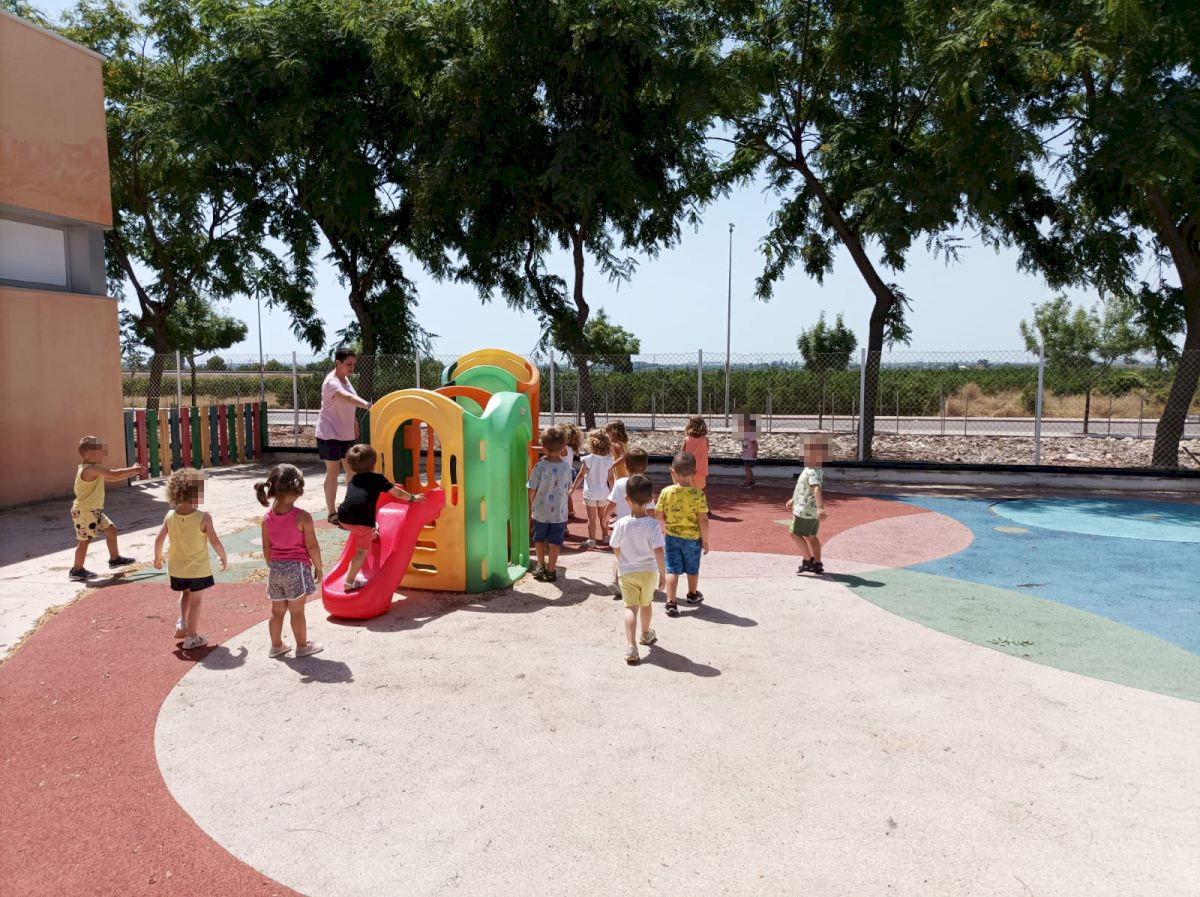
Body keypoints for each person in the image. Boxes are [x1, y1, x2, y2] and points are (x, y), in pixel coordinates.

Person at [153, 468, 228, 650]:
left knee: (185, 593)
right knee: (196, 602)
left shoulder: (170, 516)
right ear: (196, 493)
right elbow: (215, 541)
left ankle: (181, 622)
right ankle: (192, 637)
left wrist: (157, 558)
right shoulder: (204, 517)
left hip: (177, 569)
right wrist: (223, 556)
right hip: (197, 570)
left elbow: (159, 539)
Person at [256, 464, 324, 657]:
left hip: (275, 568)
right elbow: (312, 546)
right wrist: (319, 567)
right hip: (297, 568)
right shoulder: (302, 517)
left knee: (277, 611)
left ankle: (276, 645)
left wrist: (273, 565)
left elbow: (266, 547)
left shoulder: (267, 518)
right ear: (297, 488)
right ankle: (302, 646)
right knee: (297, 611)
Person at [337, 443, 425, 591]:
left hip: (343, 517)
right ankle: (349, 581)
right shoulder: (378, 479)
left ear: (351, 466)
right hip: (361, 522)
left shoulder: (353, 479)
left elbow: (358, 500)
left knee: (362, 525)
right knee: (361, 551)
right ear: (374, 464)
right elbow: (397, 493)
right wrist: (412, 497)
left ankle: (372, 533)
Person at [68, 436, 145, 582]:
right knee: (84, 541)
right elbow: (113, 474)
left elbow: (112, 477)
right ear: (90, 453)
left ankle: (114, 559)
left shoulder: (93, 470)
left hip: (93, 511)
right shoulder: (89, 469)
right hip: (85, 512)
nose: (103, 452)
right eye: (100, 450)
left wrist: (133, 472)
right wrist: (133, 469)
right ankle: (77, 569)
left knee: (111, 529)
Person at [609, 475, 666, 665]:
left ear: (627, 499)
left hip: (627, 572)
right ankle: (646, 633)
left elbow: (615, 546)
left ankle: (631, 646)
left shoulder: (621, 523)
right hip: (648, 571)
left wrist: (621, 561)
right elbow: (659, 550)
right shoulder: (653, 524)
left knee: (630, 607)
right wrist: (663, 573)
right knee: (646, 603)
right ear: (651, 499)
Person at [316, 347, 372, 526]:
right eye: (348, 364)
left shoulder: (346, 379)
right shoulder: (331, 382)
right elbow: (347, 398)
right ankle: (332, 512)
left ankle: (350, 507)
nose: (352, 368)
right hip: (329, 433)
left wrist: (354, 423)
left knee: (352, 471)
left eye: (354, 364)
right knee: (333, 472)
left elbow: (349, 404)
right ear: (337, 363)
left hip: (345, 434)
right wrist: (368, 405)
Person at [655, 451, 709, 617]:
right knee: (692, 568)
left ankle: (671, 601)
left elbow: (658, 514)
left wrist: (666, 522)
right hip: (693, 538)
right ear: (694, 473)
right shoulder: (698, 495)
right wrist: (705, 540)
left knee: (672, 569)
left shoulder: (666, 492)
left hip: (672, 537)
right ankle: (692, 594)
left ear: (672, 471)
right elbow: (703, 519)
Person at [527, 426, 572, 583]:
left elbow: (532, 487)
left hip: (540, 510)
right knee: (555, 542)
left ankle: (540, 565)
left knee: (539, 539)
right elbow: (567, 488)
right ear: (563, 448)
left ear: (544, 447)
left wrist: (531, 503)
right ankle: (551, 570)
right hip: (559, 513)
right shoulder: (566, 467)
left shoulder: (540, 466)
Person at [605, 446, 651, 598]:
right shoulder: (645, 484)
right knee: (639, 553)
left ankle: (615, 580)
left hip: (622, 526)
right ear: (645, 466)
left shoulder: (620, 483)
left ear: (625, 466)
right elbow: (651, 508)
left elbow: (611, 503)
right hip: (641, 526)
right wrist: (653, 523)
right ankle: (638, 581)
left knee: (618, 554)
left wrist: (604, 517)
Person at [786, 434, 829, 575]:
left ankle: (807, 560)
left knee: (794, 533)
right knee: (811, 536)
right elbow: (803, 488)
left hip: (805, 511)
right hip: (810, 511)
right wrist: (794, 499)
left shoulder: (812, 472)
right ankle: (817, 563)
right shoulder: (812, 470)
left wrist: (820, 507)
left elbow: (816, 489)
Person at [572, 429, 615, 549]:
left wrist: (572, 489)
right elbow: (611, 478)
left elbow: (581, 475)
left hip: (590, 493)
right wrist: (613, 492)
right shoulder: (609, 460)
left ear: (591, 444)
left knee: (591, 519)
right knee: (603, 517)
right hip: (604, 493)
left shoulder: (588, 459)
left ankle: (591, 540)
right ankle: (606, 536)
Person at [562, 423, 584, 521]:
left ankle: (568, 511)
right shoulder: (570, 448)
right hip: (568, 472)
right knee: (567, 493)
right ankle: (571, 511)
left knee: (564, 493)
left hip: (563, 473)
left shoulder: (564, 448)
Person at [682, 415, 710, 491]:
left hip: (688, 469)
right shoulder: (705, 439)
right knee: (701, 489)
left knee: (687, 489)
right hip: (701, 469)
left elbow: (682, 453)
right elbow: (707, 449)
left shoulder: (687, 439)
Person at [738, 413, 759, 488]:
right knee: (748, 468)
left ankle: (748, 482)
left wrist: (755, 452)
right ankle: (751, 481)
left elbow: (755, 443)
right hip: (747, 455)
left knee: (747, 469)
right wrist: (743, 452)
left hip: (750, 456)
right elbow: (746, 445)